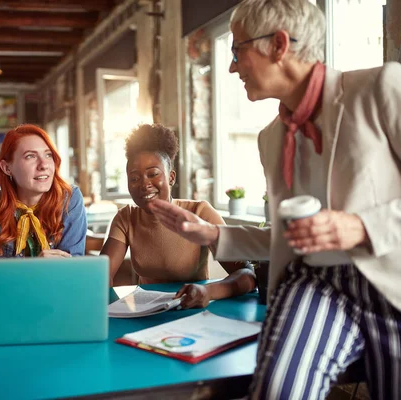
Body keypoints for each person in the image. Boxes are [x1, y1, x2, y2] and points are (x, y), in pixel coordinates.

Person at [149, 1, 401, 398]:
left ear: (279, 44)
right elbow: (288, 238)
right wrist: (209, 233)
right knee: (278, 390)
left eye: (237, 51)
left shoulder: (381, 88)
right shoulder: (271, 138)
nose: (232, 67)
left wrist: (362, 226)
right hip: (316, 282)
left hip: (391, 280)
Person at [100, 124, 255, 308]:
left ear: (171, 177)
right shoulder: (126, 218)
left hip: (192, 311)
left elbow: (248, 275)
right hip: (145, 315)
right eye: (134, 178)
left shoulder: (200, 213)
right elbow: (102, 275)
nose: (144, 184)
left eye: (153, 174)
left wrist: (208, 292)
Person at [0, 124, 87, 259]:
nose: (44, 165)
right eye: (30, 156)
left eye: (48, 155)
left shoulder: (70, 199)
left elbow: (71, 268)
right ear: (7, 168)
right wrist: (34, 269)